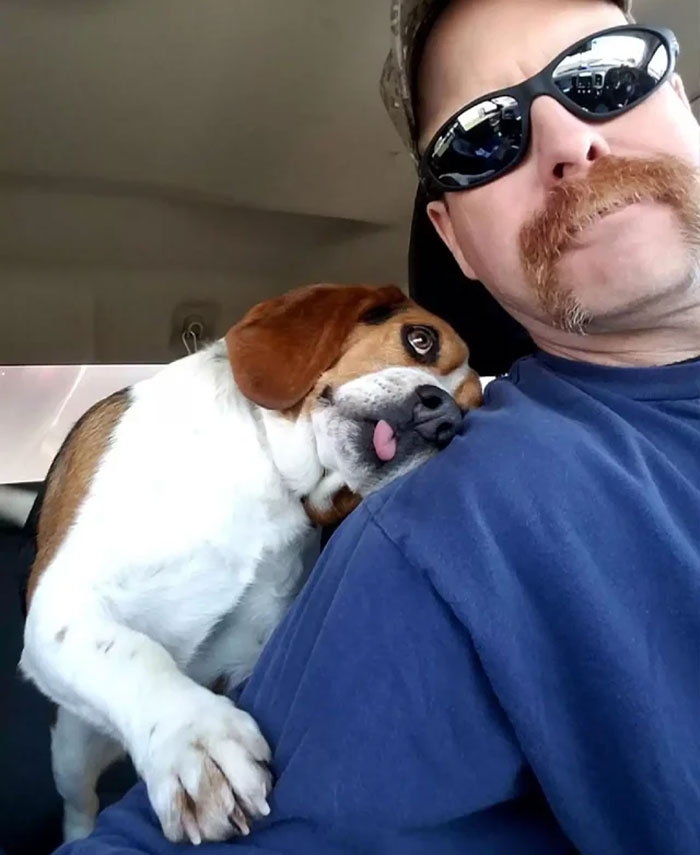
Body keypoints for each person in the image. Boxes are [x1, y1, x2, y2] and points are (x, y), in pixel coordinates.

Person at [53, 0, 700, 852]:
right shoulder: (451, 517)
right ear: (454, 241)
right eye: (481, 137)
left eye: (604, 74)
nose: (570, 140)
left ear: (681, 96)